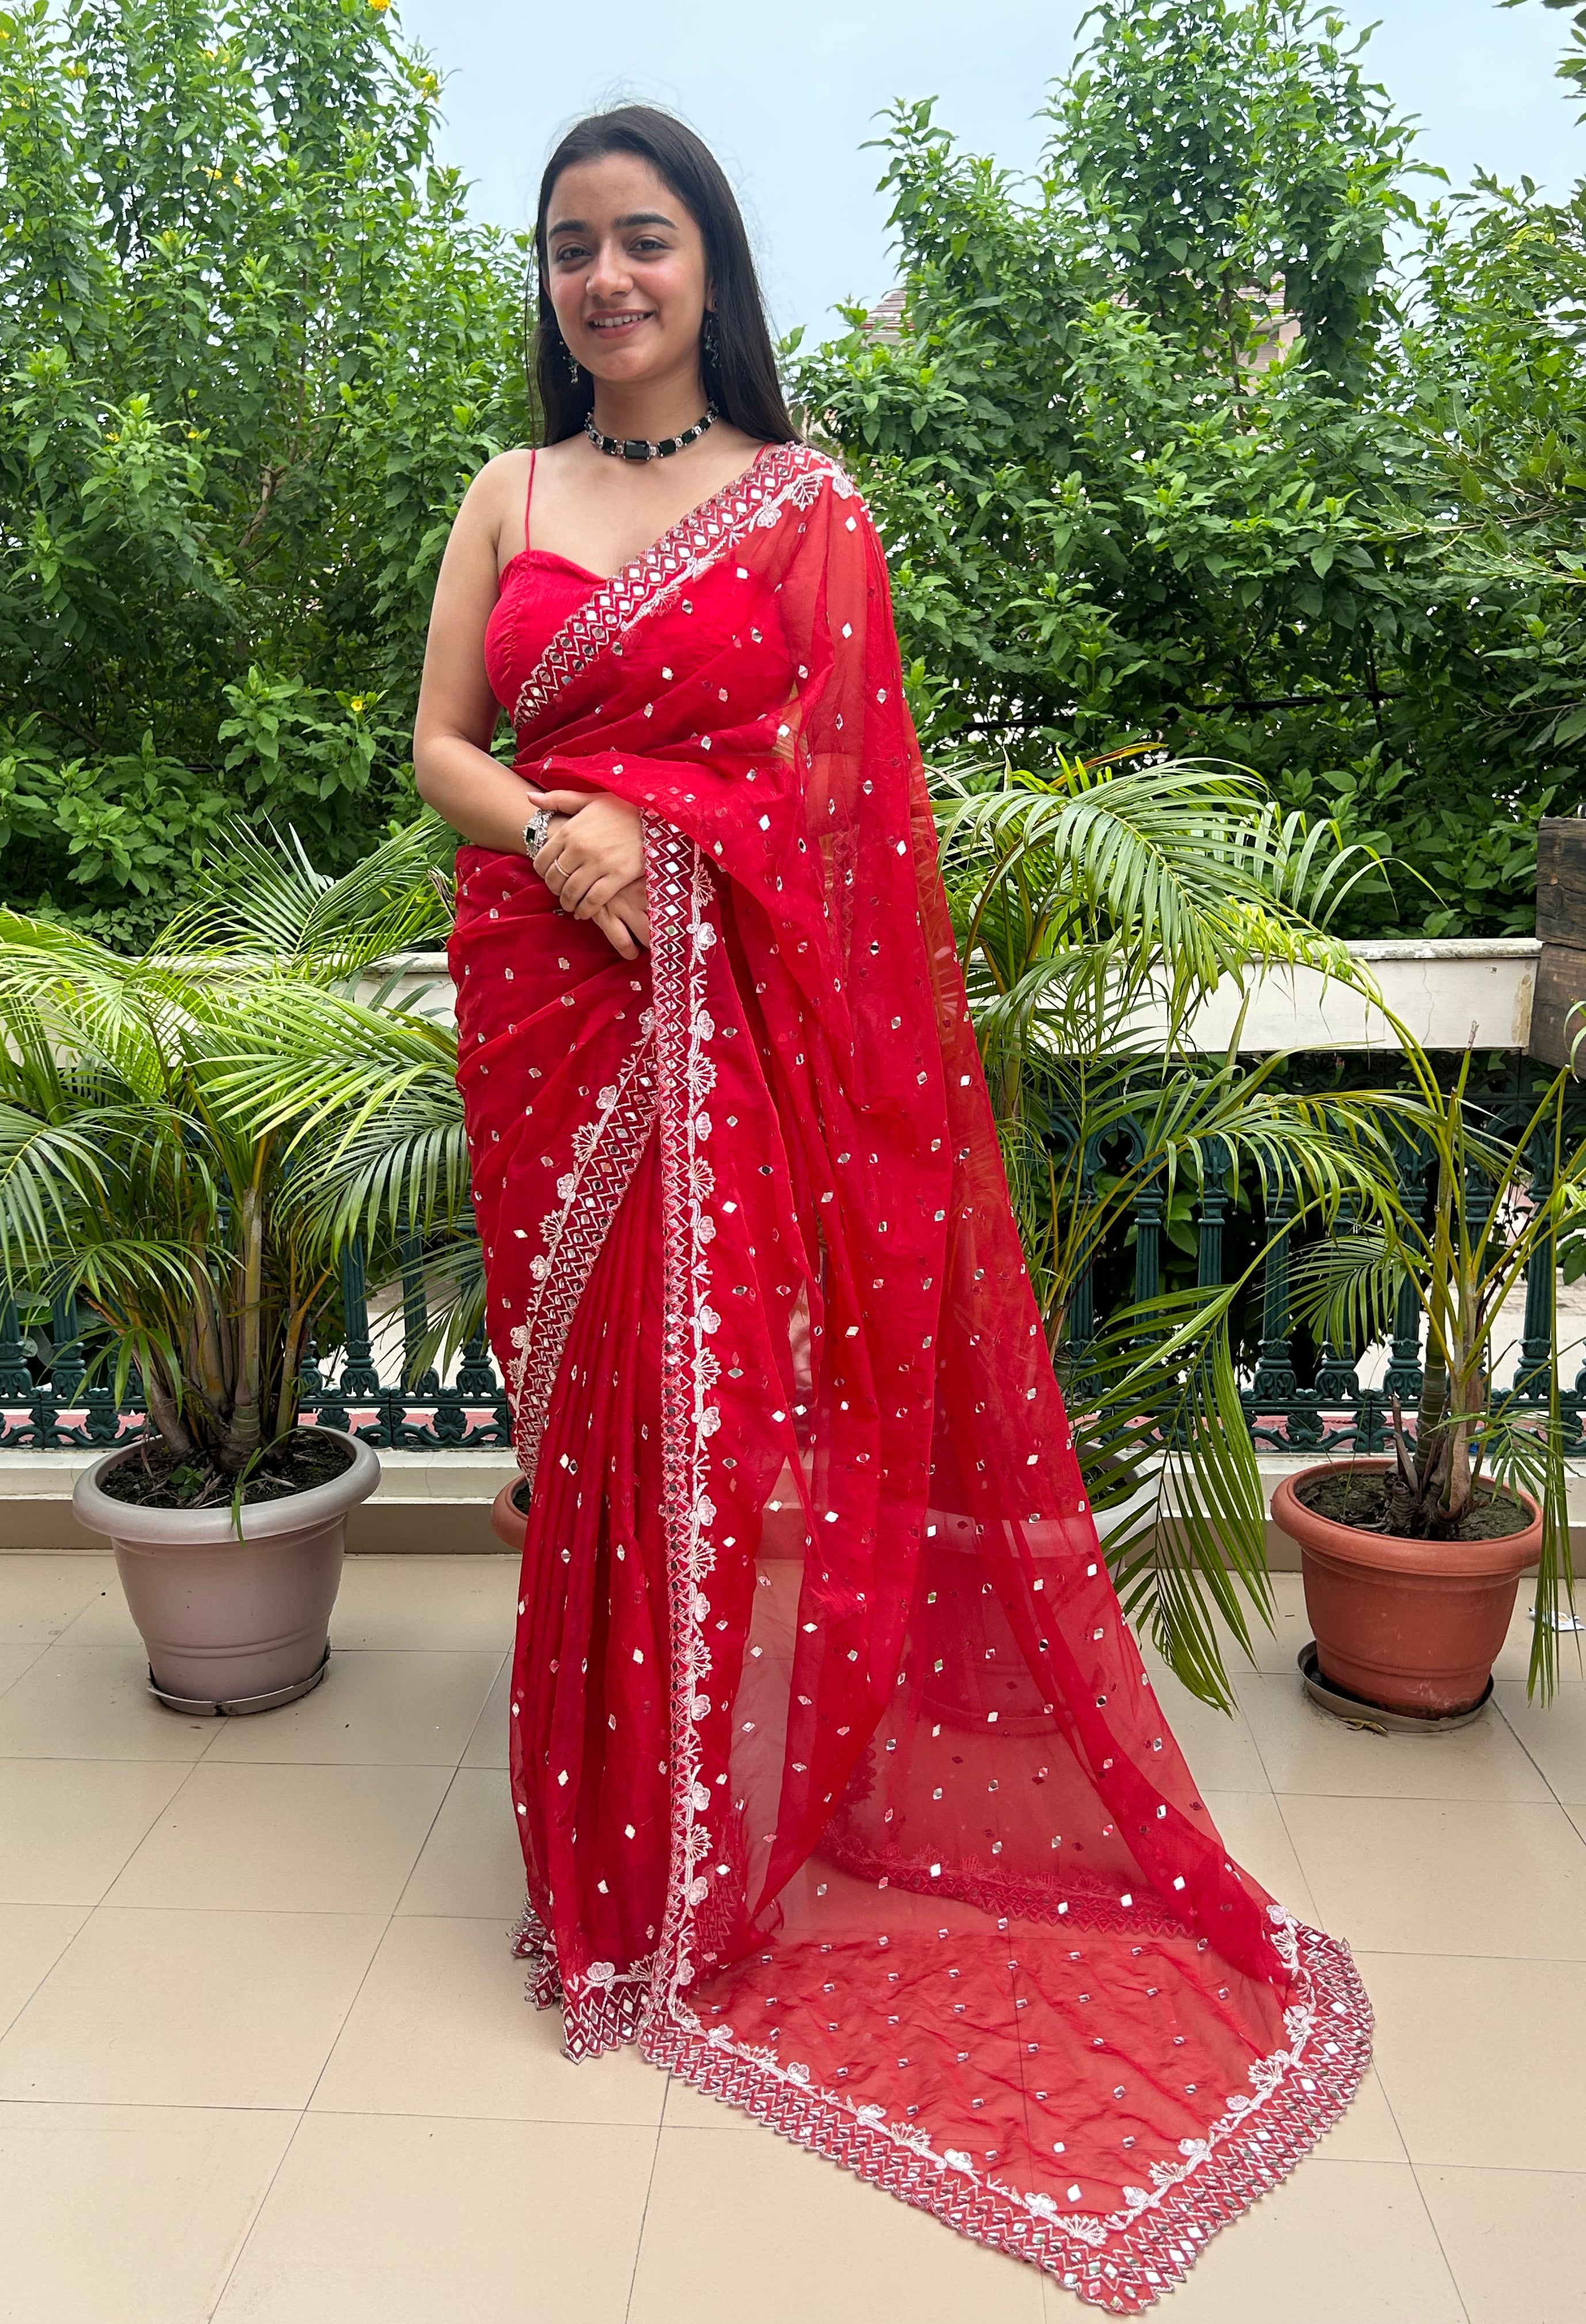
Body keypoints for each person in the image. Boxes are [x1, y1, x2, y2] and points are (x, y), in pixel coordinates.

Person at [413, 103, 1369, 2313]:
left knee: (694, 1438)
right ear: (548, 283)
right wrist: (565, 833)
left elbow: (845, 824)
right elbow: (441, 746)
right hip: (555, 1016)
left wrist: (689, 864)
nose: (604, 279)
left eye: (641, 240)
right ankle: (598, 1875)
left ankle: (678, 1889)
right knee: (589, 1450)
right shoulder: (507, 494)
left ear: (706, 265)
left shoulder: (803, 507)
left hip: (726, 1025)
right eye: (570, 248)